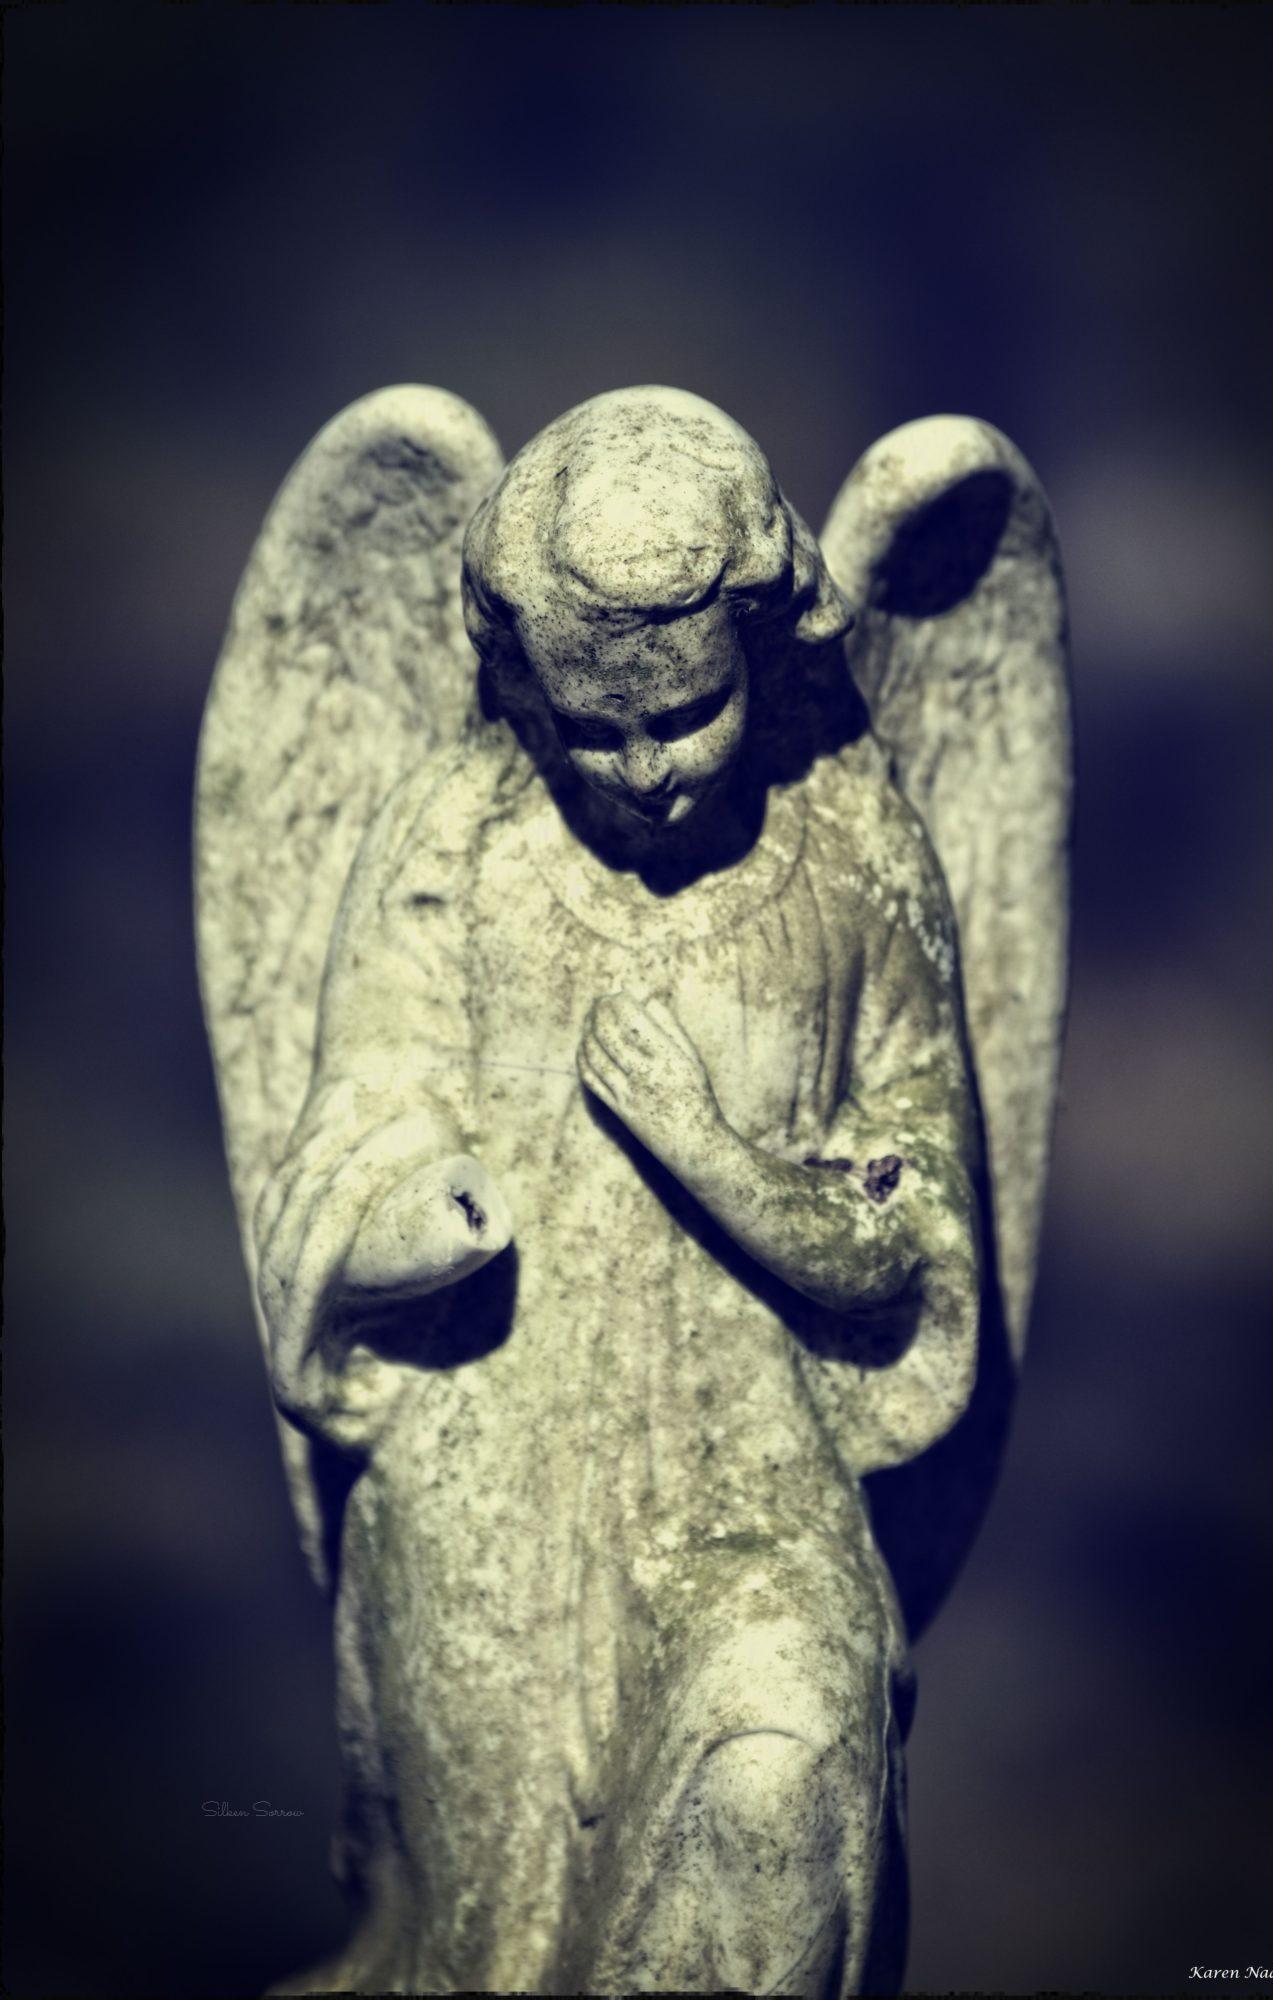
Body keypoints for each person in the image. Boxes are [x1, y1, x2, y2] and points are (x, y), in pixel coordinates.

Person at [256, 388, 982, 1997]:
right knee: (492, 1955)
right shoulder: (454, 839)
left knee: (778, 1786)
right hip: (494, 1493)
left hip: (756, 1494)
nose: (645, 770)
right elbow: (349, 1128)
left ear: (760, 651)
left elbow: (915, 1252)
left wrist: (711, 1153)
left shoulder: (854, 856)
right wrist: (406, 1216)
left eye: (688, 712)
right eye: (593, 727)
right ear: (522, 686)